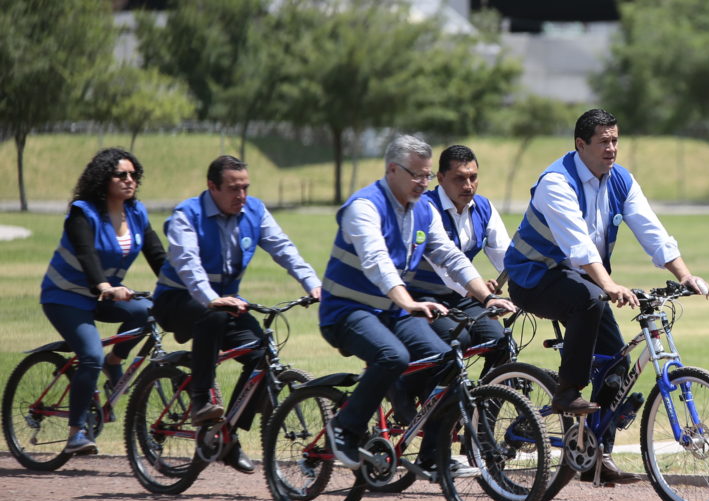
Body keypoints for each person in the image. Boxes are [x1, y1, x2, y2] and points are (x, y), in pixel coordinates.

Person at [504, 108, 709, 485]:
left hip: (582, 279)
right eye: (604, 141)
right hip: (534, 276)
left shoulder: (621, 181)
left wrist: (685, 275)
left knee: (616, 366)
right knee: (591, 300)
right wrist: (610, 286)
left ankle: (598, 456)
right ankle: (566, 392)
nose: (612, 148)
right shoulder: (556, 182)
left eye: (615, 140)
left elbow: (652, 229)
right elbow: (577, 245)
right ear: (581, 145)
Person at [319, 135, 515, 470]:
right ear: (392, 170)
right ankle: (343, 430)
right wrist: (407, 302)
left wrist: (488, 296)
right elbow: (376, 261)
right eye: (417, 175)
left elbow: (451, 256)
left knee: (447, 358)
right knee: (392, 356)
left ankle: (433, 455)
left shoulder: (423, 209)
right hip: (348, 309)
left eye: (426, 176)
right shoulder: (364, 207)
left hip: (393, 309)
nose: (423, 183)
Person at [151, 155, 321, 474]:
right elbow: (188, 264)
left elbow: (283, 248)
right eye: (233, 188)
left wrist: (313, 283)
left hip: (226, 303)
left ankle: (227, 437)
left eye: (245, 187)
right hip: (178, 300)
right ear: (211, 187)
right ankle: (201, 398)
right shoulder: (186, 215)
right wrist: (212, 300)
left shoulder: (254, 210)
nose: (241, 195)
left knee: (263, 356)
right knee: (211, 317)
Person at [40, 148, 167, 455]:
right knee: (90, 355)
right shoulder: (83, 213)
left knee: (151, 312)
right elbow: (86, 254)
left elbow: (157, 256)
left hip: (104, 295)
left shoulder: (137, 213)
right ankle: (76, 433)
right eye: (120, 174)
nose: (129, 180)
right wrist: (105, 286)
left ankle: (115, 363)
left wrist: (182, 286)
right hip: (66, 297)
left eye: (133, 175)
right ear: (103, 178)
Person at [408, 144, 512, 376]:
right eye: (459, 179)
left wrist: (529, 286)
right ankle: (424, 399)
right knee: (458, 339)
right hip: (422, 297)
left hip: (462, 297)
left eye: (473, 177)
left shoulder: (483, 207)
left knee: (501, 342)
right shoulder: (426, 207)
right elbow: (445, 265)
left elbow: (508, 257)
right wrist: (479, 292)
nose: (468, 185)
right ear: (442, 178)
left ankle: (483, 405)